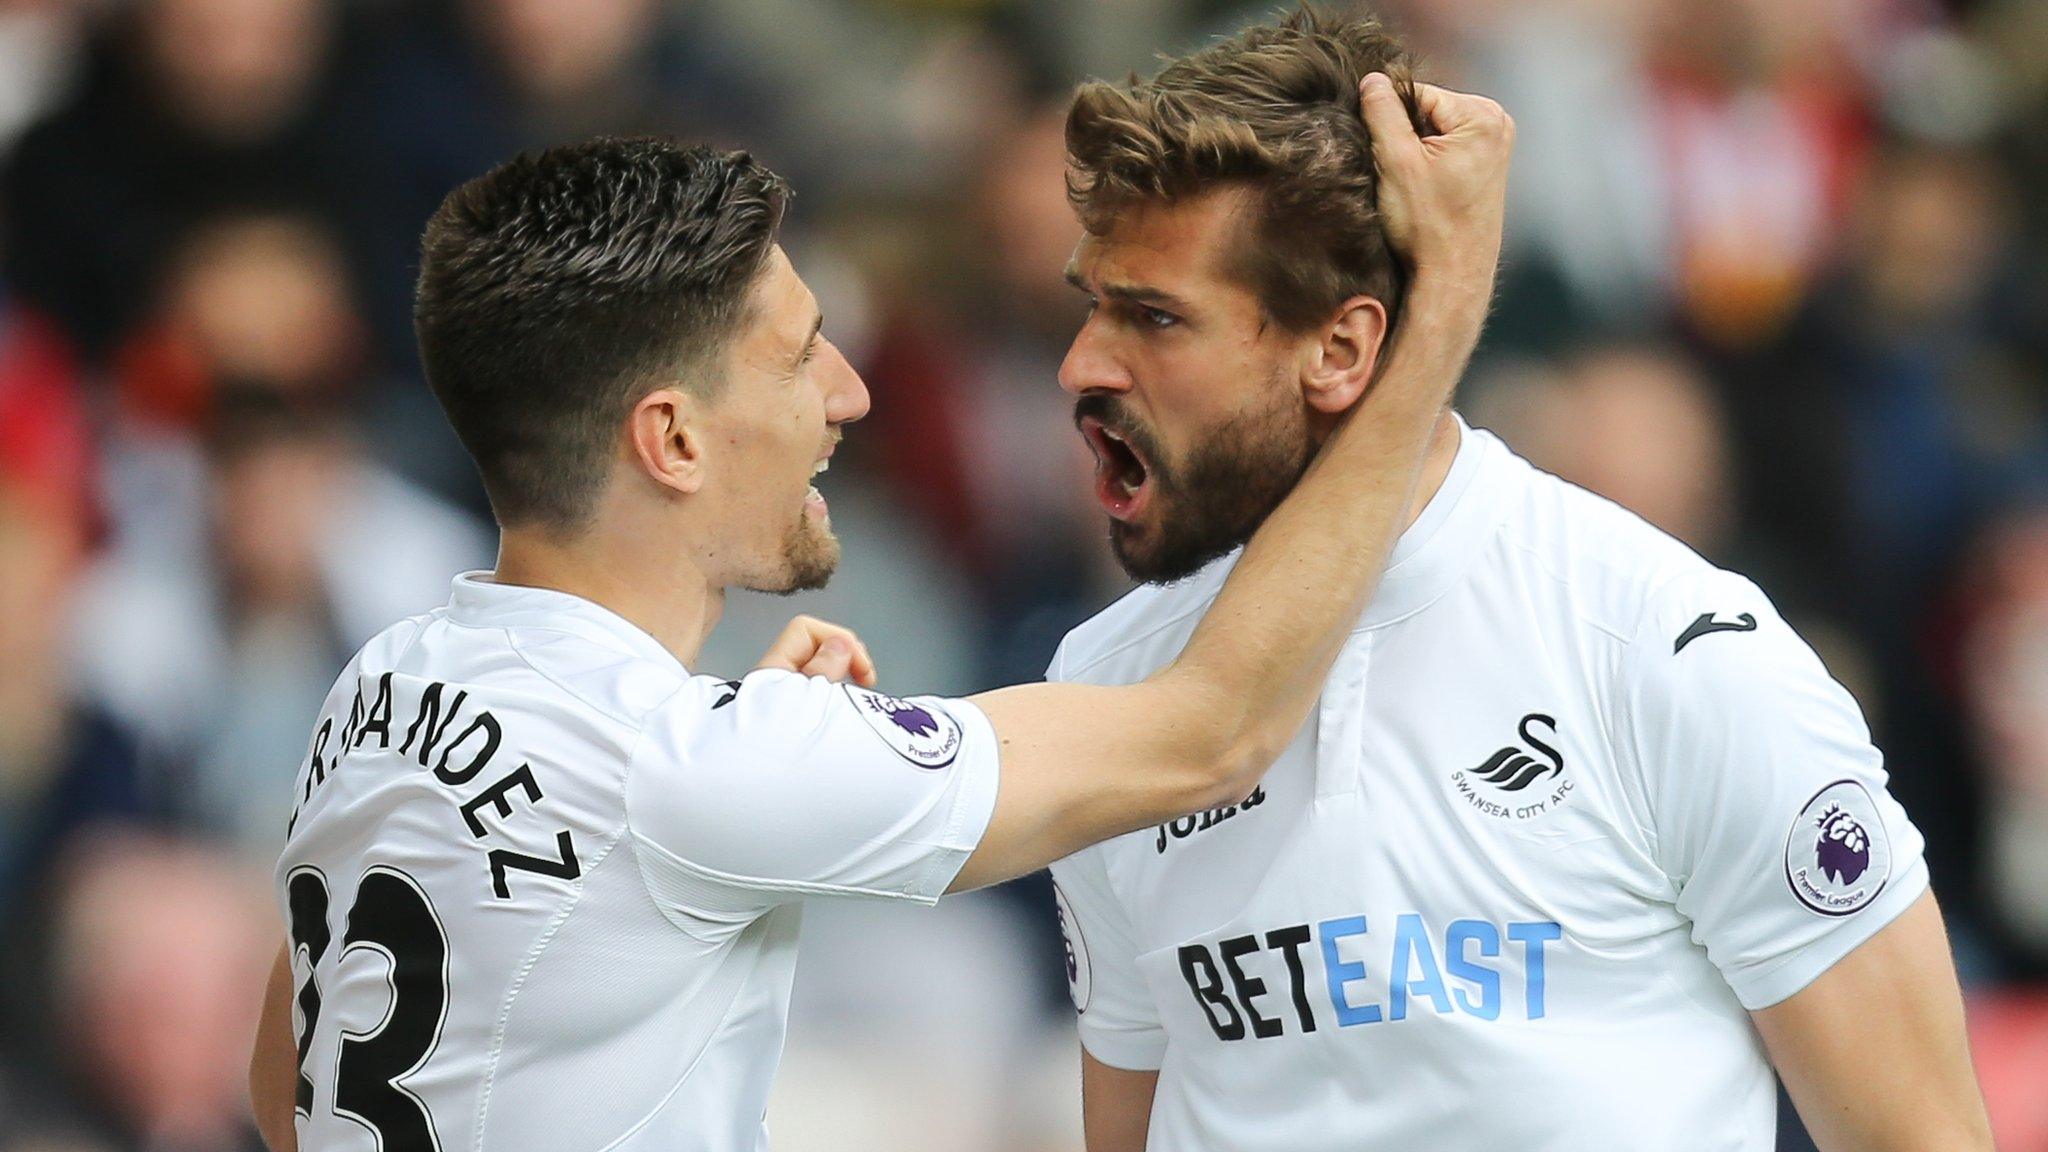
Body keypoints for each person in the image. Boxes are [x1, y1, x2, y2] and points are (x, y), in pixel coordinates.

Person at [245, 83, 1514, 1152]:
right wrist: (1439, 310)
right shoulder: (701, 769)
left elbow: (283, 1087)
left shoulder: (388, 683)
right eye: (801, 356)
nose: (848, 394)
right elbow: (1213, 731)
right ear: (672, 438)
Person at [1040, 11, 1991, 1152]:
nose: (1083, 365)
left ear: (1341, 350)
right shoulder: (1103, 684)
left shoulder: (1668, 650)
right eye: (1091, 303)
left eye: (1153, 317)